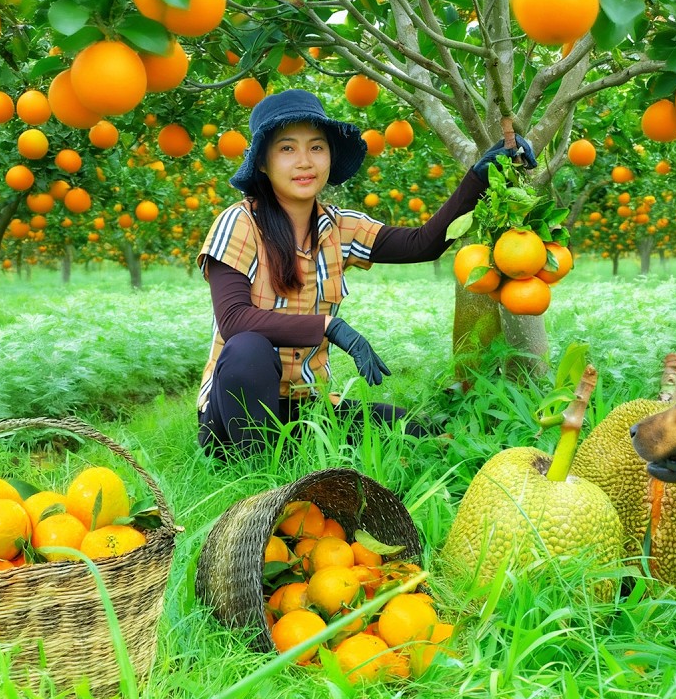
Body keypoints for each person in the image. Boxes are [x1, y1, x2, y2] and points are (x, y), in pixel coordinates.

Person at [195, 88, 536, 459]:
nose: (305, 162)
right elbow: (233, 320)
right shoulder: (240, 222)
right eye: (287, 148)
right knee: (248, 348)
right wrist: (329, 327)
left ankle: (295, 457)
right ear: (263, 162)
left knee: (417, 430)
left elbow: (423, 243)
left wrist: (479, 177)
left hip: (303, 411)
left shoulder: (339, 226)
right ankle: (260, 476)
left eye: (317, 147)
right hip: (231, 419)